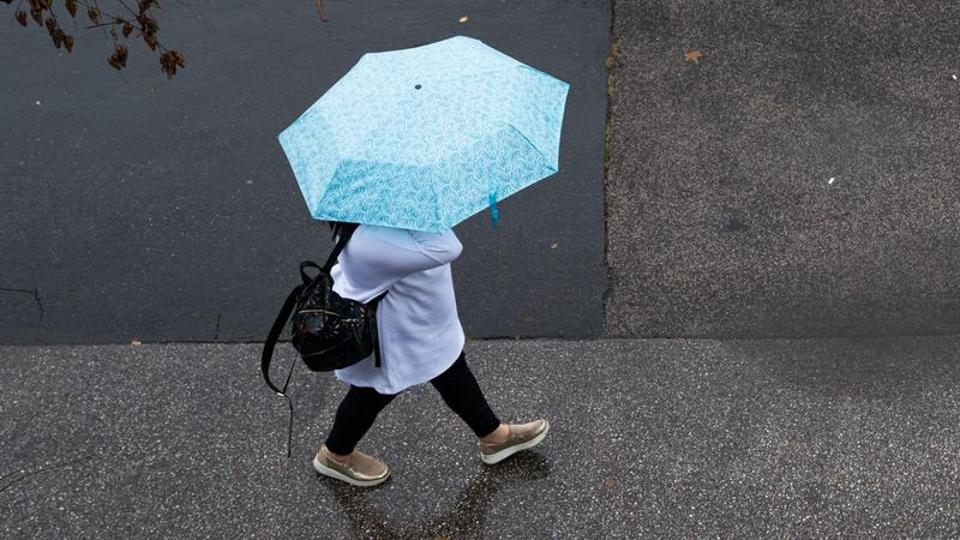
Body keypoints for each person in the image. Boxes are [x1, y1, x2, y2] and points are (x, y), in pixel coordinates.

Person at [311, 221, 549, 487]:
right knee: (373, 393)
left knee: (451, 371)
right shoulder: (373, 239)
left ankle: (493, 436)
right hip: (398, 334)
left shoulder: (369, 224)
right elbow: (448, 247)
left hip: (420, 324)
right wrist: (423, 212)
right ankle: (335, 455)